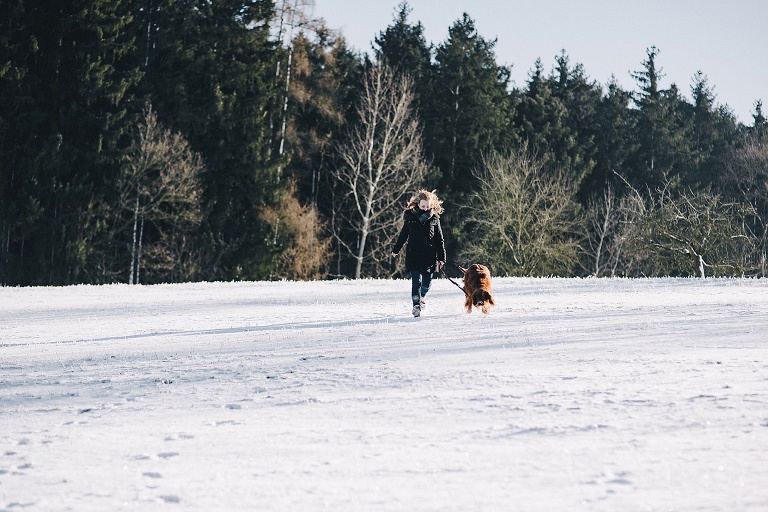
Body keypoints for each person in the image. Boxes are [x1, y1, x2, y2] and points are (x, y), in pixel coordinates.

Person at [392, 189, 447, 317]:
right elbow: (403, 236)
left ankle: (422, 296)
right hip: (414, 254)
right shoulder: (410, 217)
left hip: (429, 256)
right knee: (416, 281)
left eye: (427, 206)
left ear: (431, 205)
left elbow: (440, 239)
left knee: (426, 284)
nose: (424, 209)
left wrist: (442, 257)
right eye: (423, 206)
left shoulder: (434, 219)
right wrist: (396, 249)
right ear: (418, 204)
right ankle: (416, 305)